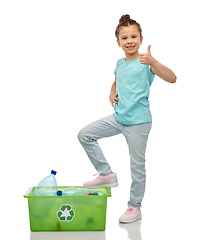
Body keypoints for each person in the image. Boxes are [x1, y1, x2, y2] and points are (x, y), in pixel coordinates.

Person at [78, 14, 176, 223]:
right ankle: (106, 174)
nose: (129, 41)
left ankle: (134, 207)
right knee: (85, 134)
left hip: (139, 122)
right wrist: (111, 92)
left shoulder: (146, 62)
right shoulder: (120, 63)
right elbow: (116, 81)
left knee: (136, 165)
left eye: (134, 36)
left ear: (141, 39)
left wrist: (153, 61)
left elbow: (172, 78)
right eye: (125, 38)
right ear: (118, 42)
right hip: (118, 117)